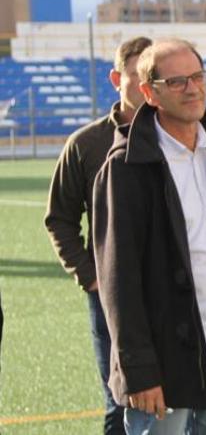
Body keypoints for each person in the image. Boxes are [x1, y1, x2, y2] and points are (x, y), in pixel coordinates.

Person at [92, 38, 206, 435]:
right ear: (150, 92)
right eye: (177, 81)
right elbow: (118, 278)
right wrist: (138, 369)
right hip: (163, 364)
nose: (193, 88)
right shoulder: (126, 167)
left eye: (198, 76)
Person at [44, 36, 152, 435]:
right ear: (115, 78)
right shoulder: (86, 145)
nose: (144, 84)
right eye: (134, 74)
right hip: (112, 298)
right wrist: (91, 276)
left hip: (173, 294)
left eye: (151, 75)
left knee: (186, 400)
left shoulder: (180, 137)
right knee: (120, 403)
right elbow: (59, 219)